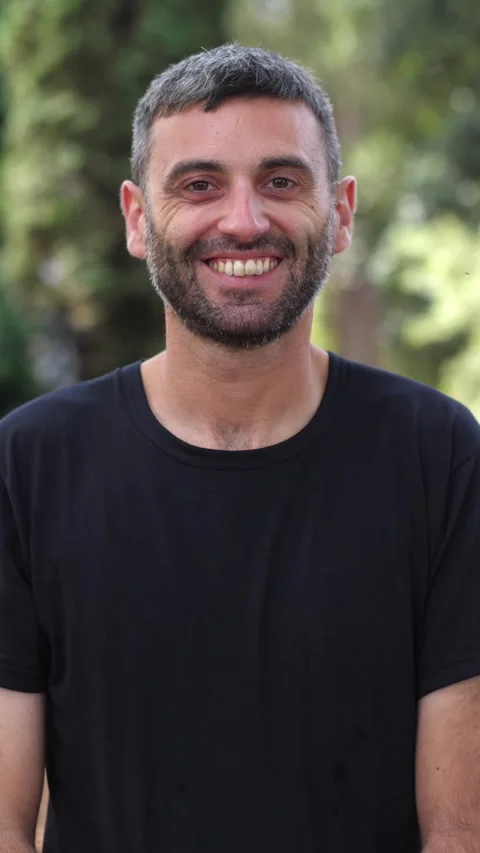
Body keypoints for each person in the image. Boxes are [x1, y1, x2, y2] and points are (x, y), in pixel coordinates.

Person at [0, 43, 479, 853]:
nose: (244, 220)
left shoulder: (440, 457)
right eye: (199, 185)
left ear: (341, 213)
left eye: (282, 181)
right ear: (136, 217)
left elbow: (459, 830)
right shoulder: (28, 465)